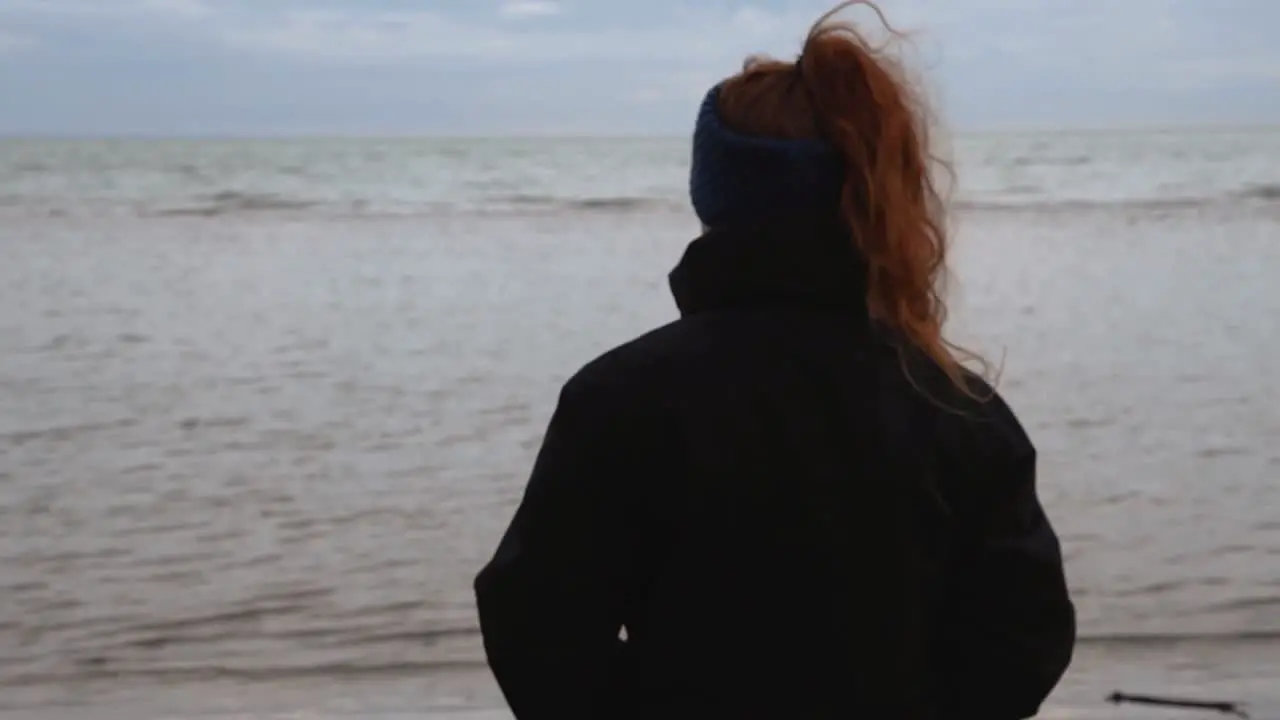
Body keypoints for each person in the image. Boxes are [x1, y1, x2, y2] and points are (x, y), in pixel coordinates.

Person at [473, 2, 1076, 717]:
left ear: (714, 194)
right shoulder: (955, 406)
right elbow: (1023, 636)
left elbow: (537, 623)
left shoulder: (620, 397)